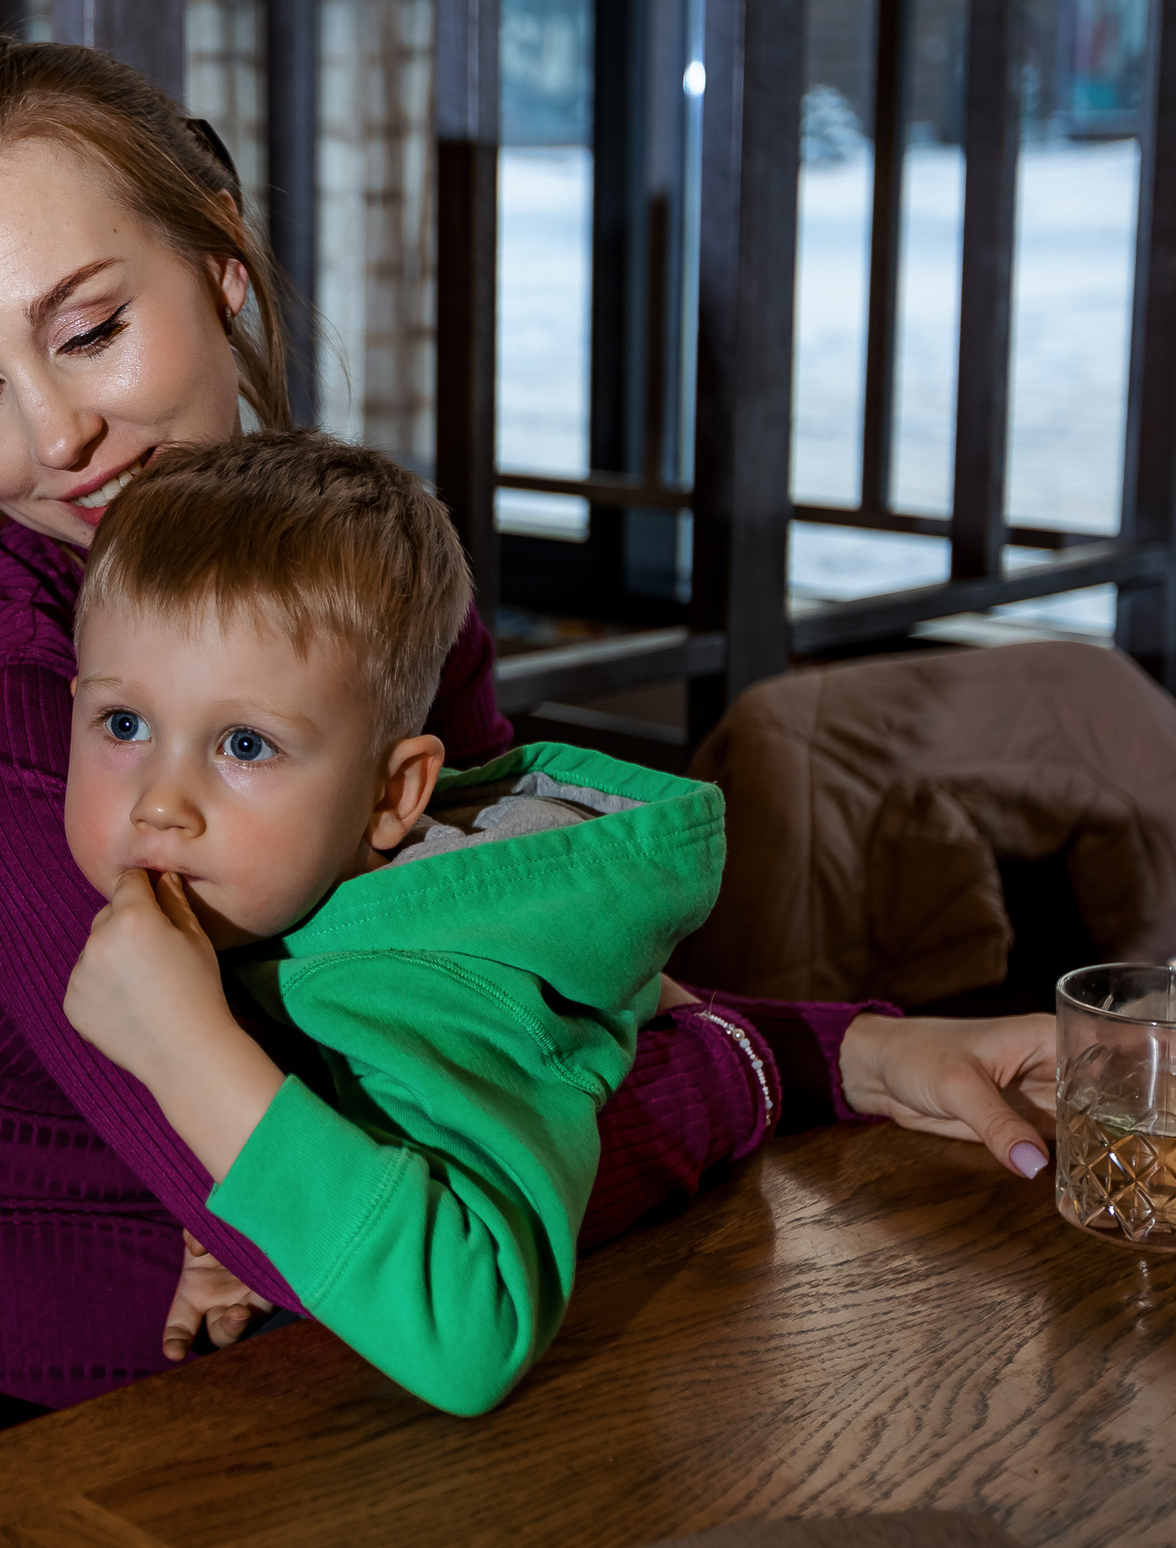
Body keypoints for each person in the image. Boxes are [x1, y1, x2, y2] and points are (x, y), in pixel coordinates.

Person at [0, 37, 1058, 1548]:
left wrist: (865, 1043)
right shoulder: (2, 737)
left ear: (224, 271)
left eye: (89, 328)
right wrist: (755, 1076)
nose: (55, 440)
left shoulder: (353, 598)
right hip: (41, 1456)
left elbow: (495, 988)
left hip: (313, 1370)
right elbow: (409, 1257)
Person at [57, 429, 723, 1414]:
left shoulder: (442, 976)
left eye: (244, 743)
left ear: (391, 794)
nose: (161, 802)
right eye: (124, 727)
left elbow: (473, 1341)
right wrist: (226, 1242)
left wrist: (184, 1050)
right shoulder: (259, 903)